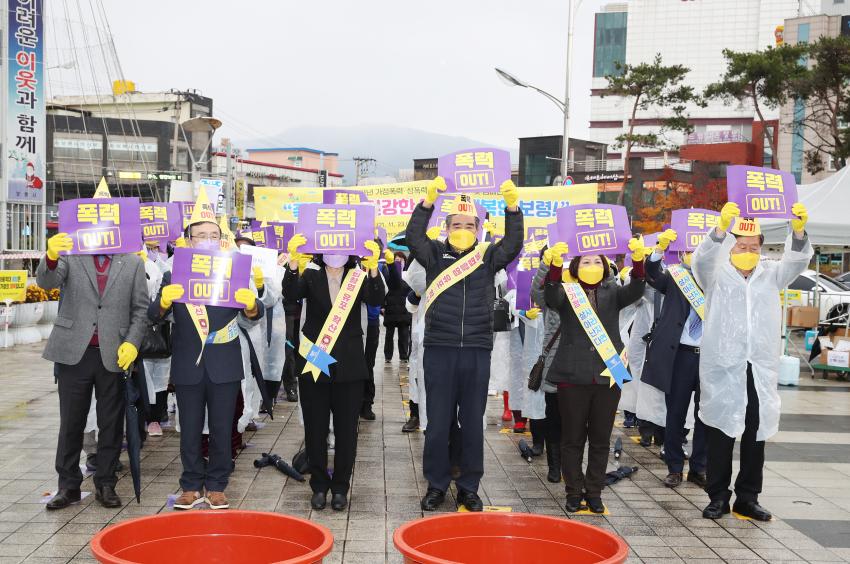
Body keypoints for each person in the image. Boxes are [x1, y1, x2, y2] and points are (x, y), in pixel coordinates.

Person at [405, 177, 523, 512]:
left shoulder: (487, 256)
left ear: (479, 227)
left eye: (469, 224)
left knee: (472, 423)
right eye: (456, 224)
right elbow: (414, 238)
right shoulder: (434, 254)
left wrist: (512, 209)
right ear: (446, 227)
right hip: (440, 349)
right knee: (437, 422)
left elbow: (513, 244)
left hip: (476, 349)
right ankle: (436, 485)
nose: (463, 228)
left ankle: (469, 487)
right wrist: (427, 203)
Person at [694, 202, 811, 521]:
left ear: (761, 248)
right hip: (723, 367)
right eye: (741, 246)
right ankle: (717, 496)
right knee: (720, 431)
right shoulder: (716, 275)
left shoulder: (771, 275)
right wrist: (719, 231)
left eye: (752, 246)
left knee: (755, 433)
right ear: (731, 248)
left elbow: (797, 260)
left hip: (758, 367)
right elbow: (701, 259)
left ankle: (748, 497)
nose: (747, 251)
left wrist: (797, 231)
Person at [149, 196, 265, 511]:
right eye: (201, 236)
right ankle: (189, 486)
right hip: (188, 361)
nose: (209, 241)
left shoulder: (233, 271)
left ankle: (216, 485)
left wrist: (252, 304)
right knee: (187, 427)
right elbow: (153, 315)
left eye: (214, 236)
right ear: (188, 240)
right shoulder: (173, 275)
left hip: (225, 362)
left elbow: (256, 313)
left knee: (221, 426)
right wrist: (163, 303)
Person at [37, 228, 149, 510]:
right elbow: (47, 282)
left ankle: (106, 482)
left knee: (111, 423)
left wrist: (133, 342)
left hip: (114, 353)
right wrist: (51, 256)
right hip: (74, 351)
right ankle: (68, 486)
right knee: (71, 422)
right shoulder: (71, 253)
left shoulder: (133, 261)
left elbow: (140, 309)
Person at [544, 239, 647, 513]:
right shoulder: (567, 291)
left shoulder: (613, 292)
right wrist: (554, 268)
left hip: (607, 377)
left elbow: (637, 289)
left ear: (606, 266)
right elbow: (550, 298)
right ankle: (573, 491)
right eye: (586, 261)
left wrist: (638, 262)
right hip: (572, 376)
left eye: (598, 261)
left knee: (601, 439)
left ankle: (594, 491)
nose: (592, 265)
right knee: (572, 439)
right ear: (576, 266)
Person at [283, 235, 385, 511]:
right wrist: (293, 263)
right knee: (315, 429)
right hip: (315, 362)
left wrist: (374, 267)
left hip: (349, 367)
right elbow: (290, 295)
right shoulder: (311, 274)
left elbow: (378, 297)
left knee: (346, 431)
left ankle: (340, 486)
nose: (335, 251)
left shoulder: (358, 275)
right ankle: (318, 485)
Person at [643, 229, 707, 490]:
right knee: (676, 414)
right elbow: (653, 275)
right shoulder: (676, 276)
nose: (693, 256)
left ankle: (700, 467)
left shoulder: (718, 278)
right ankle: (675, 467)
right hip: (680, 355)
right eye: (689, 251)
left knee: (707, 415)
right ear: (681, 253)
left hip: (710, 357)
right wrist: (658, 250)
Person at [142, 241, 172, 436]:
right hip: (135, 333)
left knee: (160, 378)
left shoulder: (162, 270)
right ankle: (141, 418)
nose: (153, 251)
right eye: (149, 247)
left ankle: (155, 418)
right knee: (141, 379)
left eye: (156, 248)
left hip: (159, 332)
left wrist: (162, 304)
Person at [383, 250, 412, 366]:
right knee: (389, 335)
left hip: (404, 310)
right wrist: (382, 305)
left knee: (404, 335)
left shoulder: (409, 274)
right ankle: (388, 356)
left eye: (401, 260)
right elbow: (383, 289)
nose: (399, 261)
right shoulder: (388, 272)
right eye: (396, 260)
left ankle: (404, 356)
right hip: (391, 308)